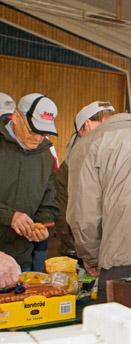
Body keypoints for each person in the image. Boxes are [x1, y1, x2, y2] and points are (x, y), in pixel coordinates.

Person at [67, 105, 131, 302]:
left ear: (85, 127)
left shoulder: (89, 144)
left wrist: (91, 258)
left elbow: (84, 217)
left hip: (121, 261)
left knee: (116, 328)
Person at [0, 93, 58, 271]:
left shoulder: (46, 157)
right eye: (33, 130)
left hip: (21, 259)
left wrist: (42, 225)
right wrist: (9, 216)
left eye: (44, 133)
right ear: (16, 117)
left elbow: (49, 203)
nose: (38, 138)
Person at [55, 101, 116, 259]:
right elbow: (67, 213)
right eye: (105, 125)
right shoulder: (72, 167)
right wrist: (78, 249)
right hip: (79, 250)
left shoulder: (106, 158)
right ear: (87, 126)